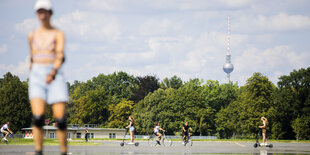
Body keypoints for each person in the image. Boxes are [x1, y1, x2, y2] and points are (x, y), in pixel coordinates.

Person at [28, 0, 68, 154]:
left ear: (50, 13)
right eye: (40, 12)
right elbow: (32, 57)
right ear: (37, 14)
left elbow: (60, 55)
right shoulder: (32, 35)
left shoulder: (58, 34)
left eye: (45, 12)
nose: (42, 15)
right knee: (38, 118)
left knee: (60, 120)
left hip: (54, 73)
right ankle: (39, 151)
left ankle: (63, 151)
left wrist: (52, 72)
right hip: (37, 74)